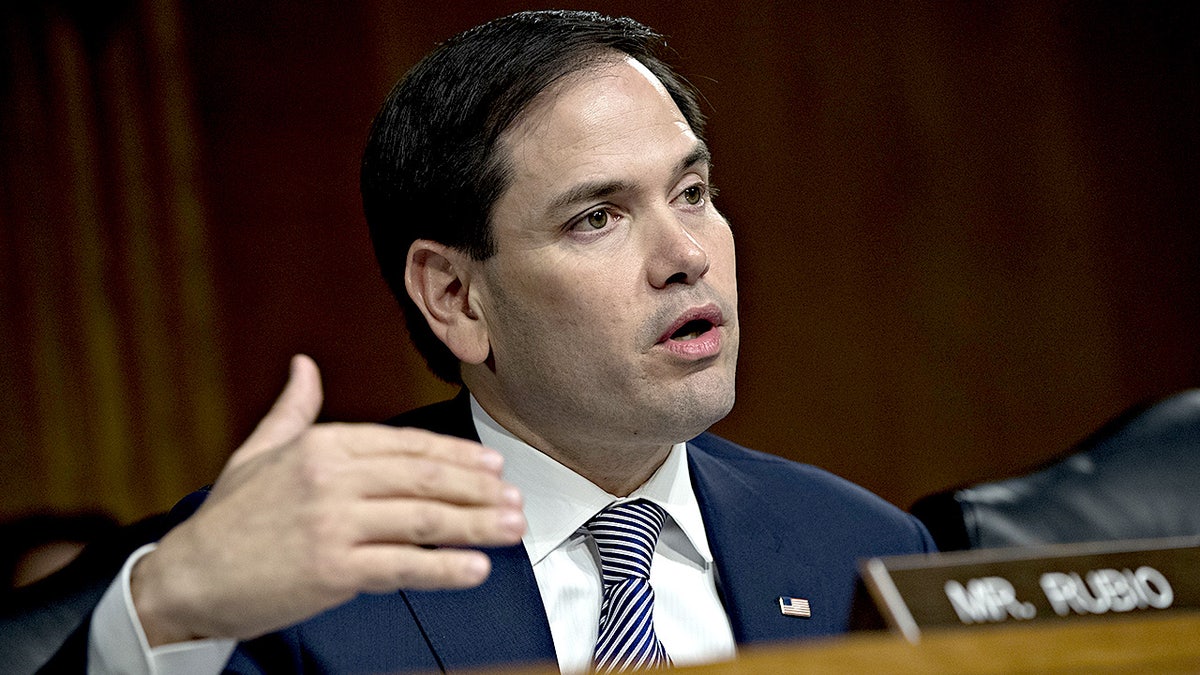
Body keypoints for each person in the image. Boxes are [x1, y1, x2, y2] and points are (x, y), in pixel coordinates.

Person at [80, 10, 934, 674]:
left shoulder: (863, 547)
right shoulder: (299, 573)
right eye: (597, 217)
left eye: (692, 191)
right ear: (456, 296)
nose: (688, 255)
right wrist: (167, 614)